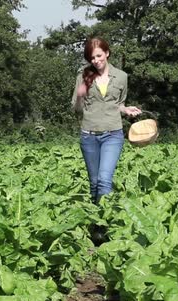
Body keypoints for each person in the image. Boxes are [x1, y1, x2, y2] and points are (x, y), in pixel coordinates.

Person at [71, 37, 142, 204]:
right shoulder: (83, 76)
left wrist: (126, 109)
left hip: (112, 135)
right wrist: (80, 95)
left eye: (98, 56)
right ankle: (96, 222)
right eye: (92, 58)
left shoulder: (121, 77)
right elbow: (77, 109)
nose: (96, 61)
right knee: (95, 183)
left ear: (107, 53)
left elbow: (118, 104)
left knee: (104, 180)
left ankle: (106, 223)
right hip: (89, 136)